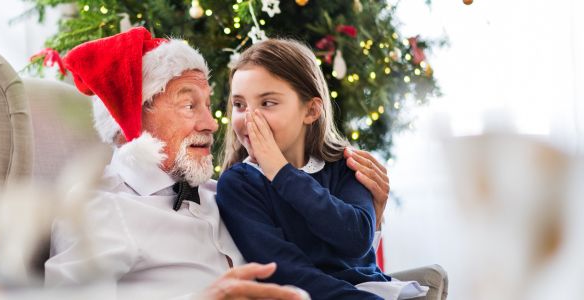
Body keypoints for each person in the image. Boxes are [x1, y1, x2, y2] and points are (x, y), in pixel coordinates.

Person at [43, 27, 391, 299]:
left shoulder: (219, 192)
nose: (211, 124)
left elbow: (315, 261)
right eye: (189, 105)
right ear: (130, 122)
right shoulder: (96, 209)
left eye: (209, 105)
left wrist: (371, 222)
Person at [215, 39, 428, 300]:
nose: (250, 118)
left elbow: (357, 239)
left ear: (311, 110)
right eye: (239, 105)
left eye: (267, 103)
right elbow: (285, 272)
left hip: (372, 290)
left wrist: (281, 172)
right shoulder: (238, 184)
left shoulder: (345, 164)